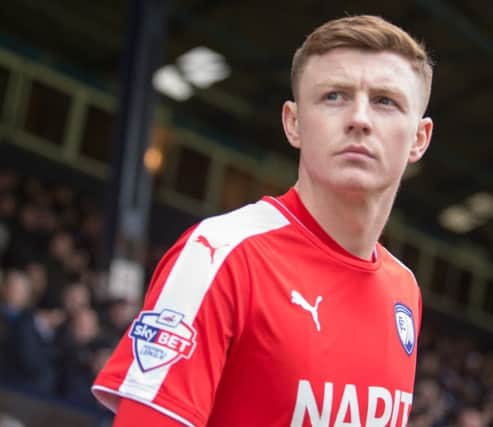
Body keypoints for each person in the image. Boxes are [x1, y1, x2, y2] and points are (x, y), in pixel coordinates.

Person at [92, 14, 434, 427]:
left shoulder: (405, 290)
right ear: (293, 123)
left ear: (419, 138)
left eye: (385, 101)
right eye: (334, 96)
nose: (359, 118)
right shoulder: (219, 255)